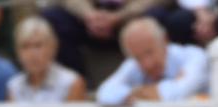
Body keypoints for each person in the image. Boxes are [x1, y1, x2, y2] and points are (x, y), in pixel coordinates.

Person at [39, 0, 170, 77]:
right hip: (88, 17)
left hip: (132, 16)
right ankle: (78, 83)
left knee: (160, 17)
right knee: (52, 18)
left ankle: (152, 76)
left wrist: (120, 16)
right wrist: (88, 14)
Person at [95, 16, 207, 105]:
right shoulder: (133, 63)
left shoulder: (194, 56)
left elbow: (176, 95)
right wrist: (143, 92)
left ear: (165, 40)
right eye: (138, 58)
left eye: (149, 52)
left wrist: (133, 93)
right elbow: (104, 94)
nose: (147, 64)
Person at [7, 16, 85, 103]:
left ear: (53, 47)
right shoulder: (14, 86)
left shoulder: (71, 83)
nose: (32, 54)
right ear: (17, 52)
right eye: (25, 46)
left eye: (38, 45)